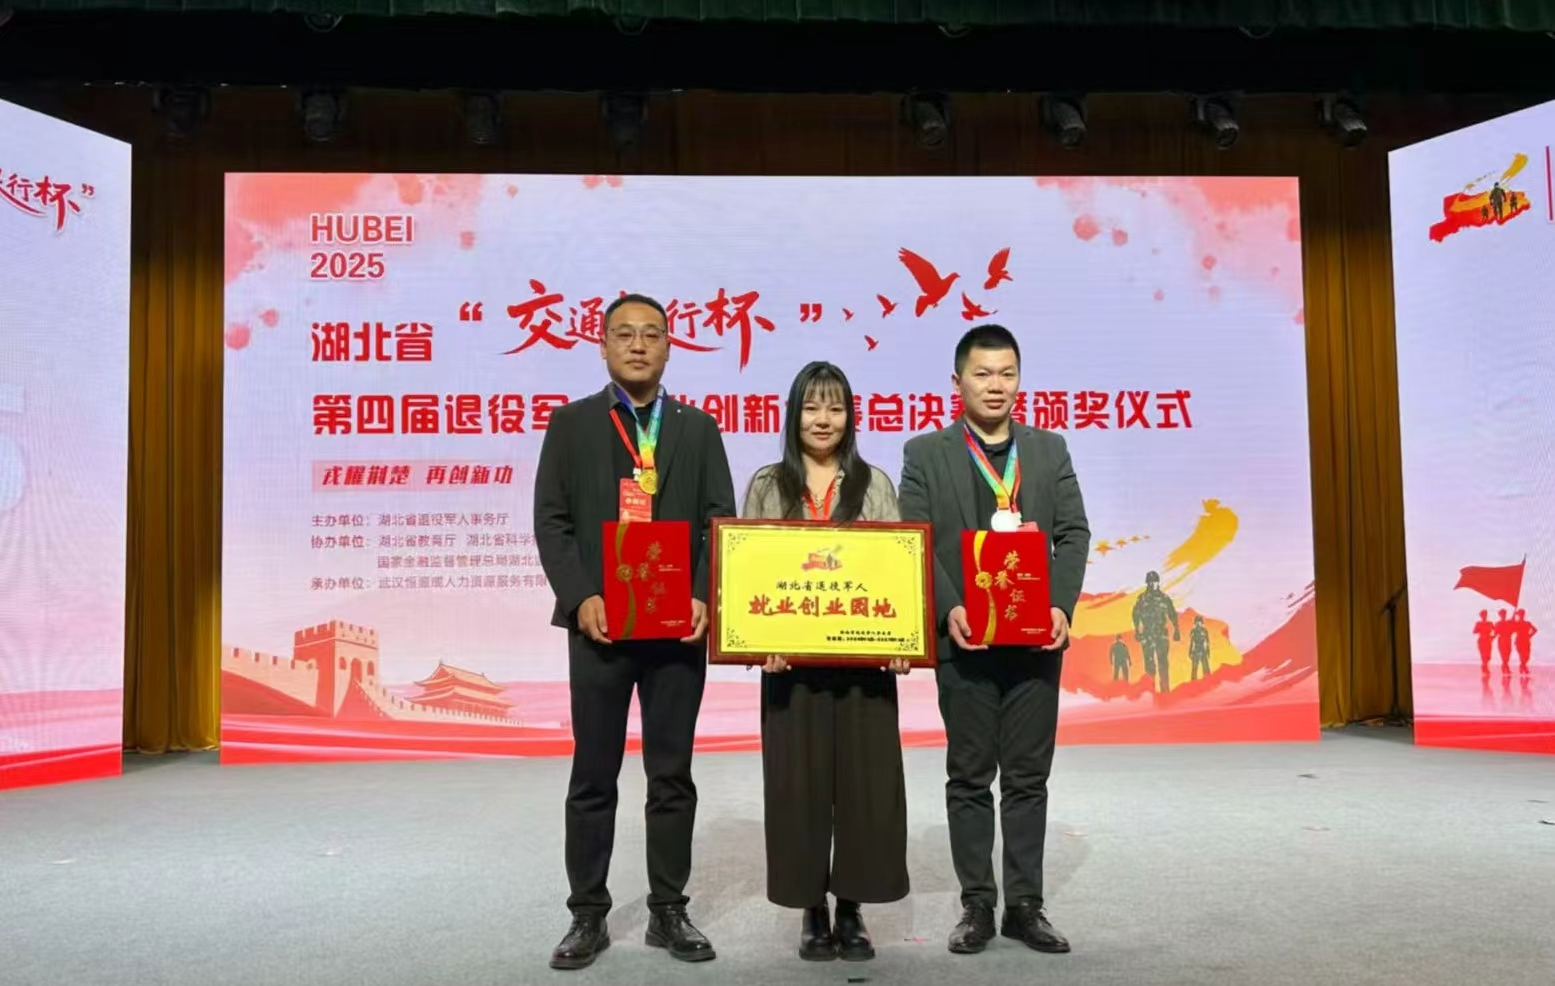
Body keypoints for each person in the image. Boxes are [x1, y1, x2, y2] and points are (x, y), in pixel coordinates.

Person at [533, 293, 736, 971]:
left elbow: (718, 520)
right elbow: (552, 520)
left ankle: (668, 909)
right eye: (625, 334)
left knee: (671, 774)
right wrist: (580, 595)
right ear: (603, 346)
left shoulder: (697, 428)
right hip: (600, 627)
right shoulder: (571, 424)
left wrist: (704, 594)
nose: (638, 345)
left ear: (670, 347)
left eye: (651, 334)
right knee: (593, 774)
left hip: (676, 630)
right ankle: (587, 914)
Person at [898, 324, 1090, 956]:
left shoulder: (1049, 450)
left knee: (1029, 777)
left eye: (1007, 373)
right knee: (970, 775)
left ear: (1020, 380)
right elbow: (916, 539)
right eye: (982, 374)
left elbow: (1073, 533)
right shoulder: (925, 453)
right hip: (966, 643)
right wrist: (948, 607)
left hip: (1036, 645)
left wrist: (1060, 605)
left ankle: (1025, 906)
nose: (995, 385)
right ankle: (977, 904)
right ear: (957, 383)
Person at [740, 360, 911, 963]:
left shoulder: (874, 484)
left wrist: (901, 640)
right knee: (799, 789)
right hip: (791, 670)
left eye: (835, 408)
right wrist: (759, 640)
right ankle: (811, 907)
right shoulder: (768, 484)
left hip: (864, 668)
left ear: (850, 417)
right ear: (794, 415)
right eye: (811, 407)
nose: (823, 419)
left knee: (865, 788)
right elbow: (750, 571)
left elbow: (897, 572)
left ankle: (853, 907)